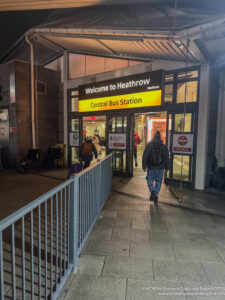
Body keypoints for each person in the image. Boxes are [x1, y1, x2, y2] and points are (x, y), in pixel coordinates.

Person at [142, 131, 169, 202]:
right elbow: (167, 157)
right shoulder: (163, 146)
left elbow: (145, 156)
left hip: (151, 167)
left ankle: (152, 191)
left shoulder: (149, 145)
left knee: (149, 180)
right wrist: (167, 168)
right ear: (160, 138)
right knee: (158, 182)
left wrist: (144, 166)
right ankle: (155, 194)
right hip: (160, 168)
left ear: (154, 137)